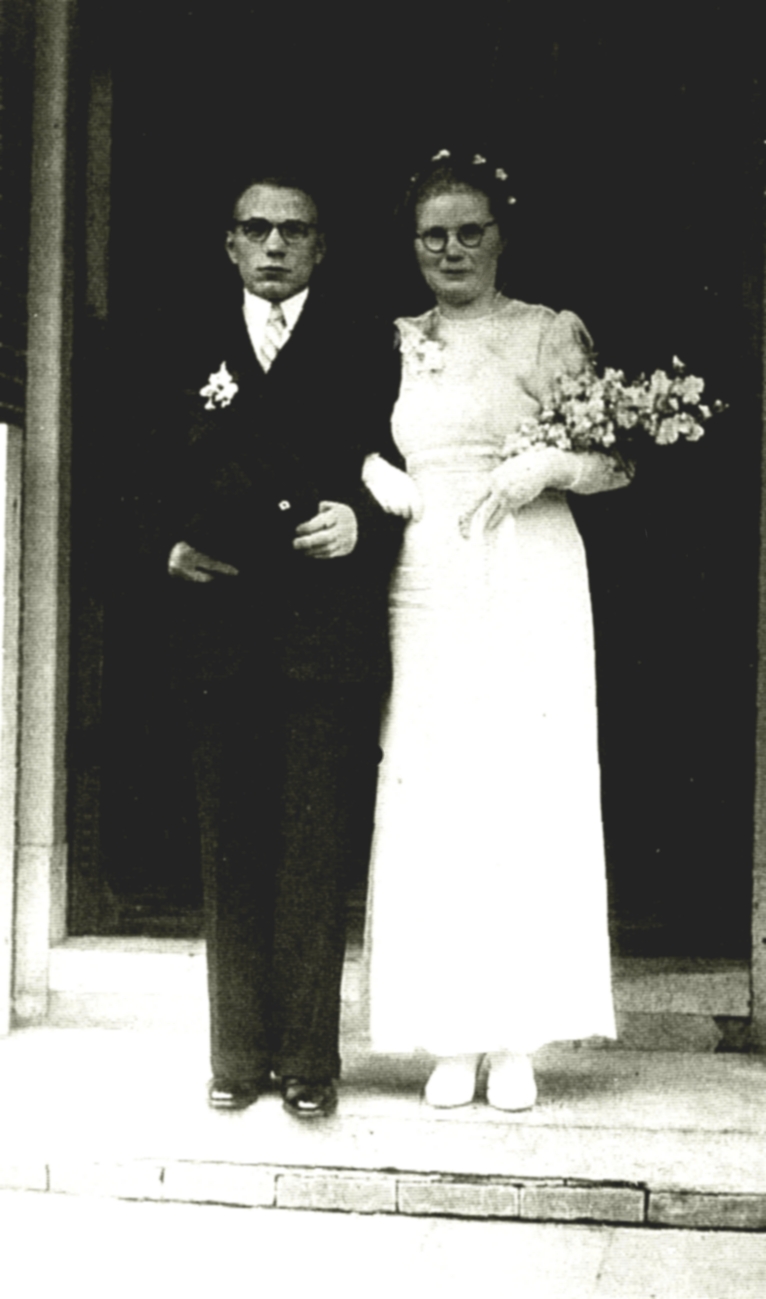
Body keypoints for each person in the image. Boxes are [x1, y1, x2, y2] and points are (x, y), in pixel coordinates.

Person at [362, 149, 630, 1111]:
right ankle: (450, 1033)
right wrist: (369, 470)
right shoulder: (394, 339)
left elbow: (616, 461)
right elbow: (335, 431)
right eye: (433, 235)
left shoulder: (549, 332)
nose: (452, 249)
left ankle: (516, 1036)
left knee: (524, 783)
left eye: (470, 231)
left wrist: (549, 467)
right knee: (434, 783)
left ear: (501, 236)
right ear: (413, 245)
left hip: (527, 565)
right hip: (427, 571)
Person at [164, 167, 403, 1118]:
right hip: (223, 633)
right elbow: (133, 460)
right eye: (255, 228)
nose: (273, 245)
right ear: (229, 242)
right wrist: (163, 544)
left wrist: (362, 524)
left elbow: (409, 460)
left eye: (293, 230)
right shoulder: (185, 339)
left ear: (320, 247)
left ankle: (308, 1059)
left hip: (322, 634)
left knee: (313, 849)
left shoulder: (369, 345)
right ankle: (236, 1055)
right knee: (231, 848)